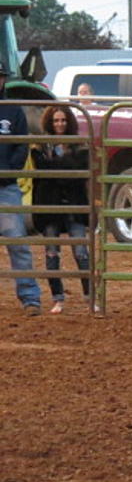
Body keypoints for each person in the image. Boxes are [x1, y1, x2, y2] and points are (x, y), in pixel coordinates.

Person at [30, 105, 92, 314]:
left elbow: (81, 168)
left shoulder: (78, 144)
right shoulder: (40, 145)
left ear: (69, 122)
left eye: (63, 120)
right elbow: (42, 168)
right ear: (50, 122)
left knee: (82, 253)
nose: (60, 124)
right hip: (50, 204)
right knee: (52, 254)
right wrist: (66, 166)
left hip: (72, 203)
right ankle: (58, 298)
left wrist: (55, 167)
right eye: (56, 120)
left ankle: (89, 295)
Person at [0, 66, 41, 316]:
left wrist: (9, 171)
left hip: (6, 186)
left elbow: (21, 145)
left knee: (18, 242)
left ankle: (30, 297)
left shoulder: (14, 110)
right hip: (7, 186)